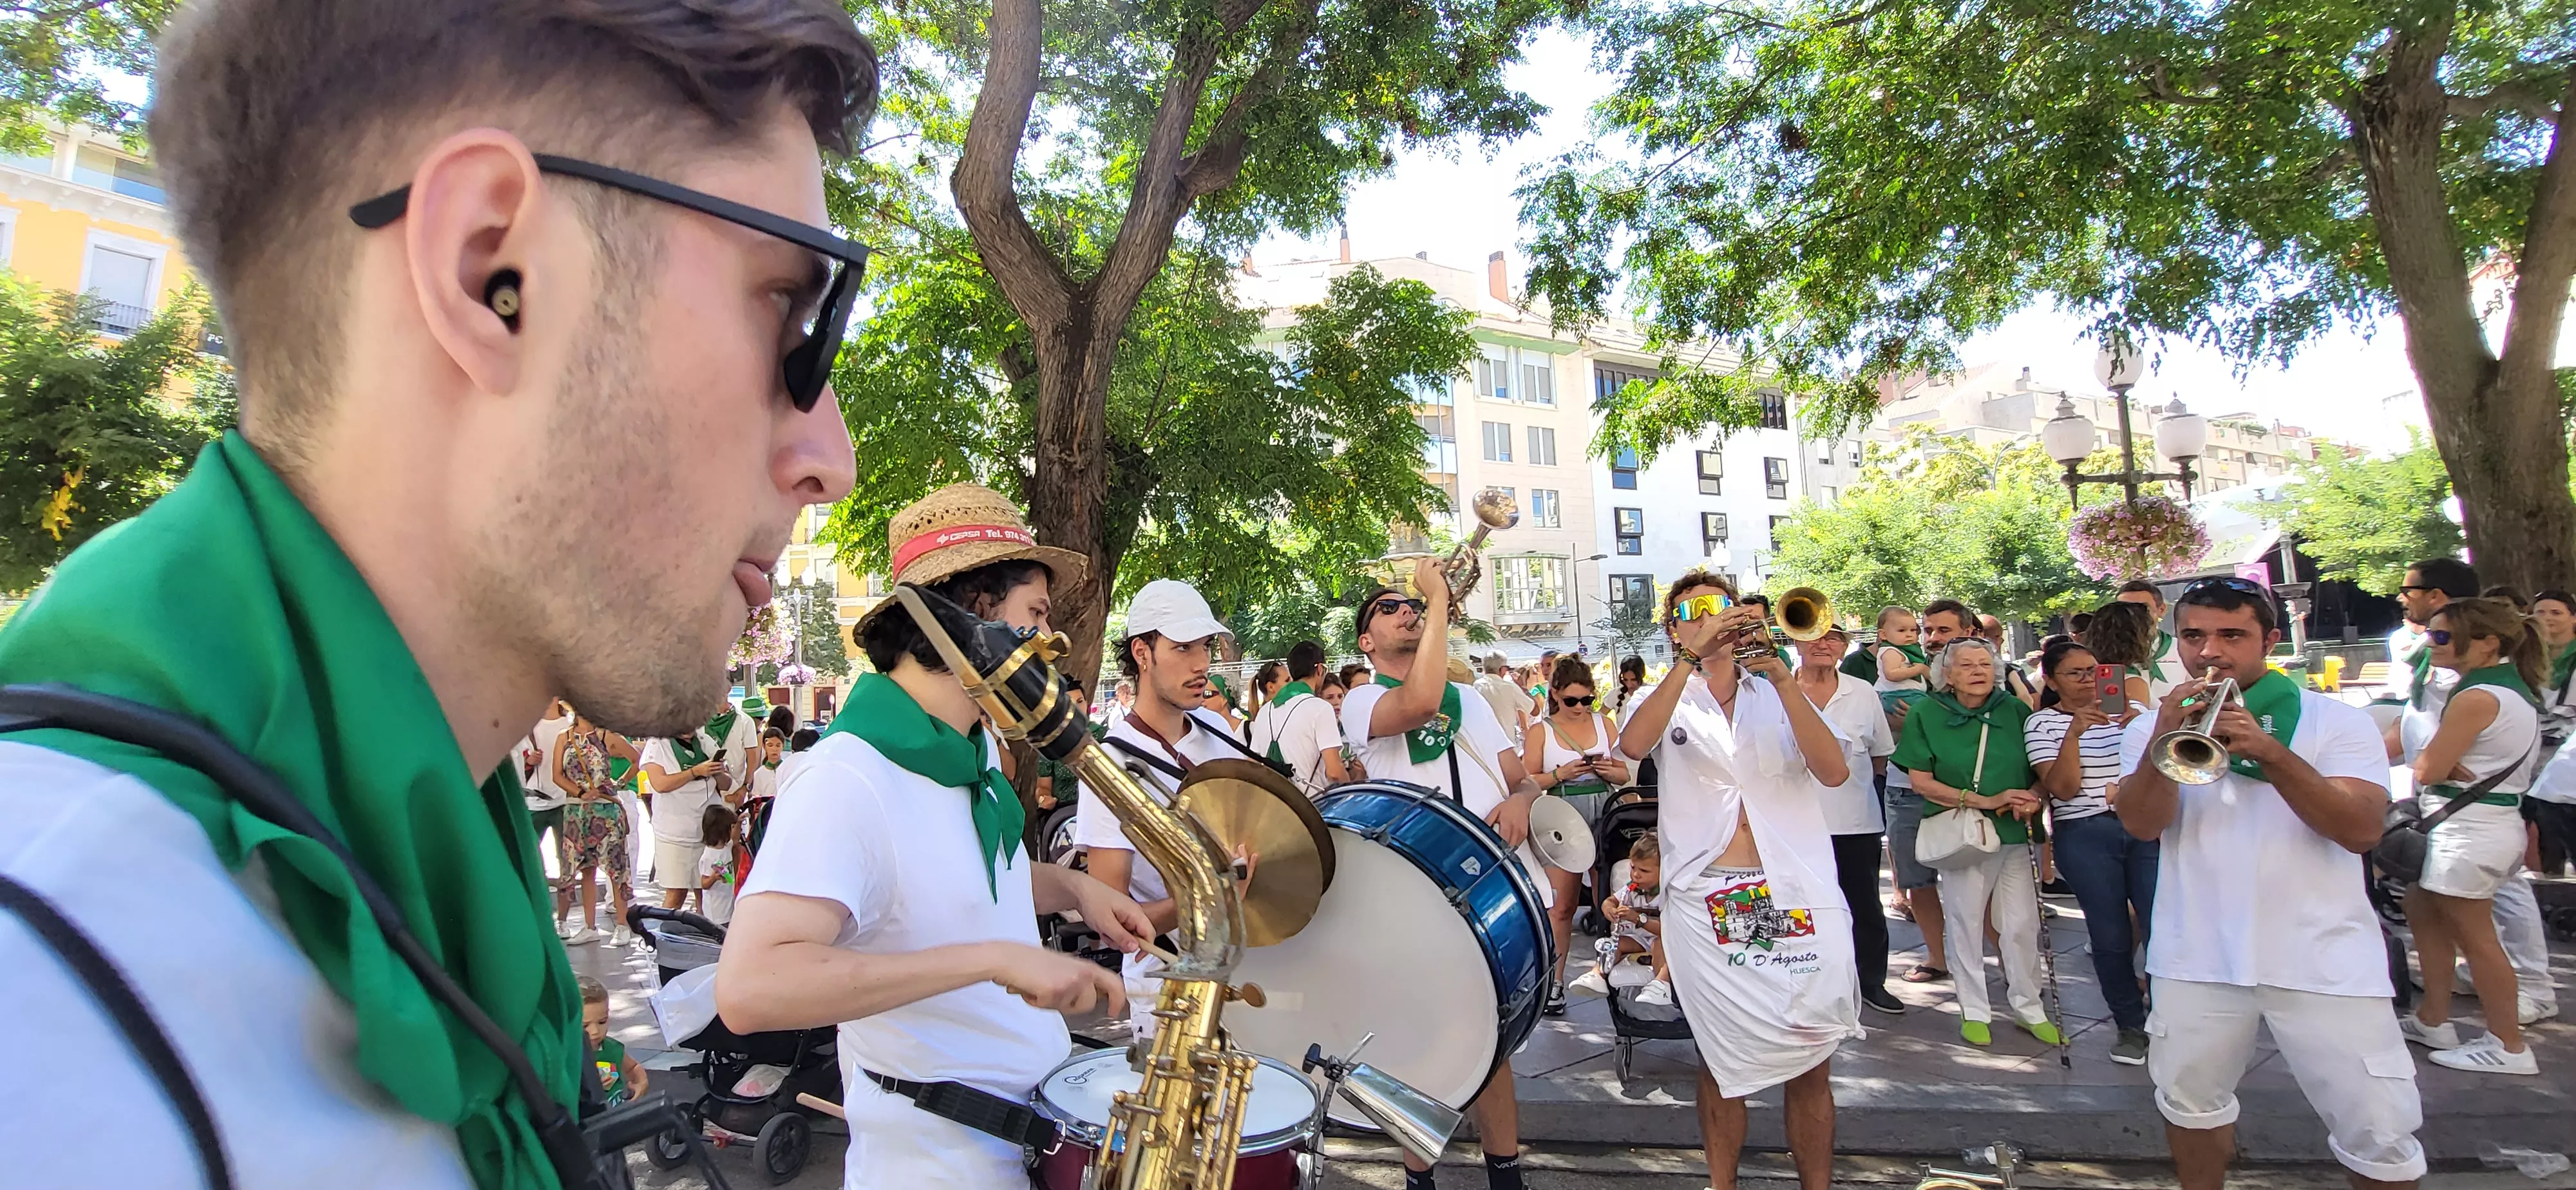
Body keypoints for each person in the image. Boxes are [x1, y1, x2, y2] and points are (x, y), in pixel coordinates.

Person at [0, 1, 876, 1182]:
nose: (832, 456)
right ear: (491, 269)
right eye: (792, 309)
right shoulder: (48, 1007)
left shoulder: (445, 882)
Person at [719, 484, 1154, 1190]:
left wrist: (1073, 888)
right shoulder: (846, 779)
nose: (1052, 645)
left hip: (1020, 1145)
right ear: (973, 612)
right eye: (1036, 616)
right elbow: (750, 988)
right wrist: (991, 959)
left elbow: (952, 883)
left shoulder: (973, 750)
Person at [2116, 577, 2426, 1190]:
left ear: (2271, 641)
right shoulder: (2150, 727)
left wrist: (2271, 753)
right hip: (2196, 955)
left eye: (2232, 635)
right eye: (2194, 637)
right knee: (2188, 1103)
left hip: (2324, 956)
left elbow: (2362, 830)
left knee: (2380, 1129)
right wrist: (2160, 739)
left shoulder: (2333, 721)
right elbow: (2142, 825)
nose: (2210, 653)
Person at [1617, 569, 1858, 1190]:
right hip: (1708, 895)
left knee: (1812, 1058)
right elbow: (1634, 743)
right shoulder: (1671, 696)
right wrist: (1690, 660)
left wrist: (1781, 674)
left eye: (1720, 606)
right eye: (1692, 610)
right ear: (1674, 628)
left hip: (1791, 887)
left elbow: (1832, 772)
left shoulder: (1777, 689)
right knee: (1721, 1059)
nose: (1710, 616)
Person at [1343, 563, 1541, 1190]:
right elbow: (1420, 701)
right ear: (1366, 642)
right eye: (1388, 609)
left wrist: (1523, 802)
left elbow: (1524, 780)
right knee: (1414, 1043)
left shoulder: (1476, 703)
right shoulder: (1361, 699)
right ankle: (1418, 1178)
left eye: (1411, 606)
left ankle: (1504, 1175)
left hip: (1485, 888)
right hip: (1404, 897)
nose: (1405, 611)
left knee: (1495, 1041)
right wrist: (1434, 599)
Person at [1084, 578, 1255, 1037]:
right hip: (1167, 990)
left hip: (1250, 967)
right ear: (1143, 653)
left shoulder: (1216, 730)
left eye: (1204, 647)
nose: (1202, 664)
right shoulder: (1111, 763)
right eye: (1183, 648)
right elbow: (1112, 921)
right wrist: (1207, 895)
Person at [2392, 558, 2559, 1026]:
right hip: (2474, 823)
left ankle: (2508, 1044)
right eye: (2433, 635)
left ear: (2487, 644)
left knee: (2477, 938)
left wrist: (2437, 764)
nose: (2432, 643)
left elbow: (2427, 768)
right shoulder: (2501, 689)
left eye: (2442, 637)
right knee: (2422, 909)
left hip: (2469, 829)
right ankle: (2433, 1020)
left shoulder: (2476, 697)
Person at [1891, 636, 2058, 1046]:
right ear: (1947, 674)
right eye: (1967, 666)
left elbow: (2038, 765)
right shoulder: (1927, 713)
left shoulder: (2015, 709)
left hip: (2015, 833)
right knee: (1965, 922)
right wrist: (1986, 801)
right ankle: (1974, 1009)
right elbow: (1921, 782)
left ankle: (2028, 1006)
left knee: (2020, 923)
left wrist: (2032, 797)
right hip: (1963, 834)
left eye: (1985, 664)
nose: (1979, 672)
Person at [2026, 638, 2156, 1065]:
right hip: (2084, 832)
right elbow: (2063, 789)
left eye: (2095, 671)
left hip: (2143, 826)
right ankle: (2130, 1026)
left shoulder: (2134, 718)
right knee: (2110, 935)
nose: (2088, 681)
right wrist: (2074, 733)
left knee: (2163, 925)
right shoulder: (2042, 724)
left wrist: (2144, 730)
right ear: (2051, 679)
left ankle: (2169, 1015)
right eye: (2075, 674)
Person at [1790, 625, 1903, 1014]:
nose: (1823, 645)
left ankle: (1871, 981)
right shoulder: (1776, 691)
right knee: (1799, 909)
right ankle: (1807, 983)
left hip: (1856, 821)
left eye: (1833, 638)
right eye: (1814, 637)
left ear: (1844, 647)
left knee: (1864, 906)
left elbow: (1879, 756)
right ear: (1797, 642)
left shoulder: (1863, 691)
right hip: (1795, 824)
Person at [1523, 655, 1633, 1014]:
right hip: (1561, 815)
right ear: (1555, 695)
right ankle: (1554, 984)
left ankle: (1613, 974)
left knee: (1617, 900)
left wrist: (1607, 769)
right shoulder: (1542, 731)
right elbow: (1525, 781)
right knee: (1563, 907)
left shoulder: (1605, 725)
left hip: (1606, 811)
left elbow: (1624, 775)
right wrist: (1560, 774)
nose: (1580, 708)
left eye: (1587, 700)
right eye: (1572, 701)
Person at [555, 710, 642, 945]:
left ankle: (622, 925)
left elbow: (636, 759)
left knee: (615, 867)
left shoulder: (607, 736)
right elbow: (557, 775)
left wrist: (619, 782)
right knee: (585, 869)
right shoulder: (565, 737)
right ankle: (589, 926)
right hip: (577, 811)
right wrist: (581, 793)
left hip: (606, 810)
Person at [641, 718, 737, 908]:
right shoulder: (657, 744)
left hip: (708, 831)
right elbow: (660, 784)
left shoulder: (705, 741)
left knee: (708, 892)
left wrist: (716, 772)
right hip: (675, 833)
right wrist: (694, 772)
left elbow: (727, 785)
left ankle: (706, 933)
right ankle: (663, 934)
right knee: (677, 892)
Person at [1567, 831, 1670, 1000]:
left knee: (1660, 945)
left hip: (1662, 939)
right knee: (1615, 944)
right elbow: (1610, 900)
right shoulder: (1632, 889)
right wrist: (1609, 909)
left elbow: (1667, 930)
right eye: (1633, 867)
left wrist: (1636, 918)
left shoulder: (1667, 894)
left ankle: (1661, 984)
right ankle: (1597, 974)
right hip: (1640, 939)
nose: (1636, 874)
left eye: (1644, 870)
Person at [1249, 641, 1349, 795]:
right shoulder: (1320, 708)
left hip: (1274, 807)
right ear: (1320, 669)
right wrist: (1353, 790)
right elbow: (1334, 772)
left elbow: (1253, 765)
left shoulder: (1265, 711)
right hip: (1312, 809)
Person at [522, 699, 576, 931]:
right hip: (535, 800)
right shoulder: (528, 724)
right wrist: (528, 761)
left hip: (565, 801)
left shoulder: (570, 723)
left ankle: (562, 921)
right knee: (530, 859)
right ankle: (539, 916)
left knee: (566, 861)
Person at [580, 976, 648, 1110]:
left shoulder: (611, 1048)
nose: (595, 1031)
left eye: (602, 1022)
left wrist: (641, 1083)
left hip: (618, 1114)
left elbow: (633, 1067)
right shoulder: (570, 1057)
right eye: (585, 1026)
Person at [2116, 580, 2184, 702]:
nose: (2133, 615)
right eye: (2124, 610)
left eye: (2142, 608)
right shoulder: (2105, 652)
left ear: (2162, 610)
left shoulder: (2182, 649)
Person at [1477, 652, 1537, 744]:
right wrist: (1522, 688)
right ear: (1503, 669)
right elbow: (1535, 711)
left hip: (1481, 746)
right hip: (1506, 745)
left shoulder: (1474, 687)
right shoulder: (1510, 688)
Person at [697, 803, 743, 926]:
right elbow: (704, 883)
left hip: (727, 904)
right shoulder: (709, 857)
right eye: (730, 827)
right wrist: (714, 878)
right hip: (715, 911)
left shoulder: (726, 847)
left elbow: (736, 839)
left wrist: (738, 822)